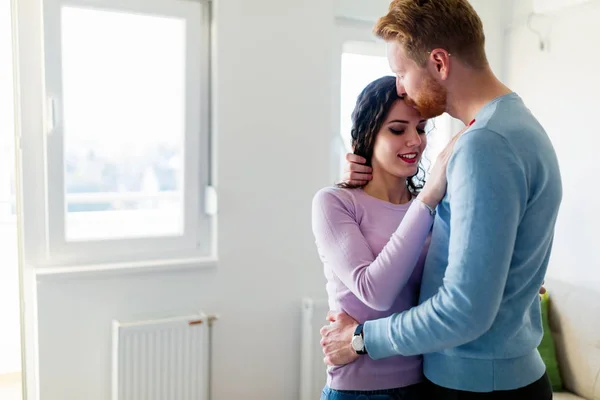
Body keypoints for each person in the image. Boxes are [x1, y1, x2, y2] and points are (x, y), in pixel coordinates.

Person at [320, 1, 562, 399]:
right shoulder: (517, 127)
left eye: (401, 72)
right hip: (499, 375)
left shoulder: (485, 144)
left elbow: (464, 309)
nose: (400, 86)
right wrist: (364, 190)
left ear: (439, 62)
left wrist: (361, 339)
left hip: (477, 383)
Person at [312, 75, 465, 400]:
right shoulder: (335, 202)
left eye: (421, 128)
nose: (415, 141)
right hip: (358, 391)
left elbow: (447, 288)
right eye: (398, 129)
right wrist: (428, 197)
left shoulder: (432, 208)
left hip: (426, 383)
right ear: (369, 134)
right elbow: (375, 292)